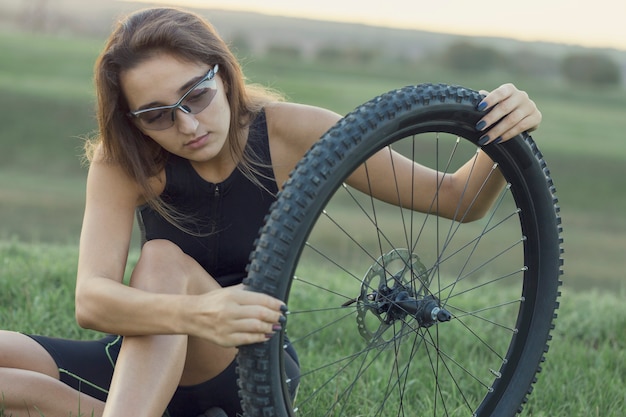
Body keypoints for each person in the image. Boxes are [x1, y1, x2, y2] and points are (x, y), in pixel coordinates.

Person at [0, 6, 542, 417]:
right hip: (151, 352)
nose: (187, 125)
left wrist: (503, 131)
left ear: (224, 74)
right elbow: (92, 301)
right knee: (13, 383)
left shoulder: (287, 132)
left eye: (196, 96)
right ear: (131, 120)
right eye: (157, 115)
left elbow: (457, 200)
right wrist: (195, 315)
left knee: (161, 259)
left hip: (248, 361)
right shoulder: (125, 164)